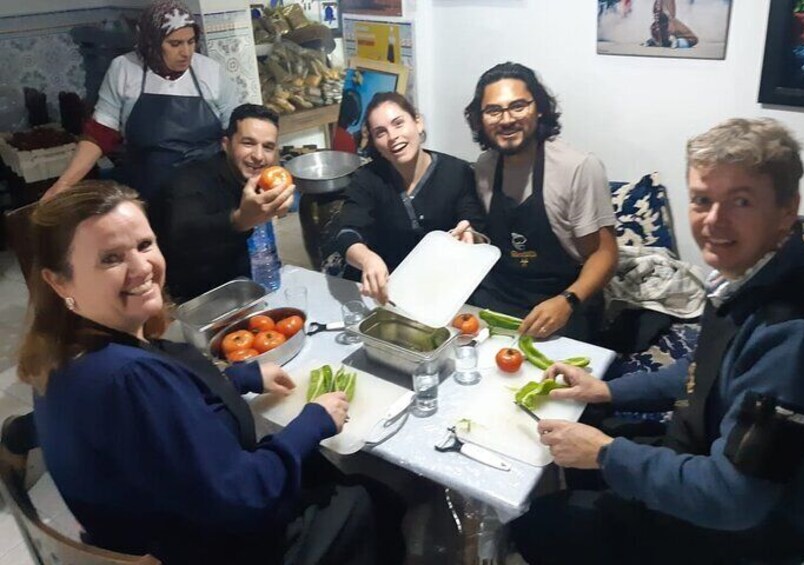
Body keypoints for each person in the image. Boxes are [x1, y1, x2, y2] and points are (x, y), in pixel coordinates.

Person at [510, 118, 804, 564]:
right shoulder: (750, 273)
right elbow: (707, 368)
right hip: (716, 452)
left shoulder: (799, 337)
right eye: (702, 200)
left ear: (788, 209)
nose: (714, 221)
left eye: (741, 201)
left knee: (539, 525)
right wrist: (607, 389)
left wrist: (607, 455)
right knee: (589, 437)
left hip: (766, 521)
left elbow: (736, 498)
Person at [19, 181, 402, 564]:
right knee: (367, 499)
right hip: (221, 549)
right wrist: (313, 420)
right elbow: (246, 495)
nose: (141, 268)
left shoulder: (60, 356)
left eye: (144, 245)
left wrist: (240, 378)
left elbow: (158, 423)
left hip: (169, 528)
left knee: (316, 468)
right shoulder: (130, 379)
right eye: (110, 259)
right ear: (59, 281)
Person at [464, 62, 618, 341]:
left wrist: (568, 300)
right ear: (480, 119)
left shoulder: (579, 167)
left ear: (539, 109)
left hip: (563, 296)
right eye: (493, 111)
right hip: (502, 292)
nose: (506, 120)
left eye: (518, 106)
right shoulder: (485, 166)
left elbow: (604, 254)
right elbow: (493, 238)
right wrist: (470, 238)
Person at [42, 0, 239, 202]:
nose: (186, 52)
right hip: (147, 192)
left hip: (206, 193)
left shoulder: (210, 72)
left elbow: (237, 132)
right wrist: (64, 184)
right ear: (151, 42)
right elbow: (101, 133)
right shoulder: (124, 69)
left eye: (191, 41)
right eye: (175, 44)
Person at [334, 91, 486, 303]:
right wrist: (367, 259)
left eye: (398, 123)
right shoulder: (367, 178)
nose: (393, 137)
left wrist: (469, 232)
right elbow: (347, 233)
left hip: (441, 289)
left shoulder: (457, 172)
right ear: (375, 142)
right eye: (380, 133)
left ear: (418, 122)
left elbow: (474, 222)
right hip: (386, 290)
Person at [152, 103, 294, 302]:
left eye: (268, 147)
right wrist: (240, 220)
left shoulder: (261, 181)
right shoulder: (190, 181)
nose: (258, 156)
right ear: (226, 144)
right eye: (248, 143)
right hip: (196, 298)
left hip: (252, 285)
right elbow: (183, 233)